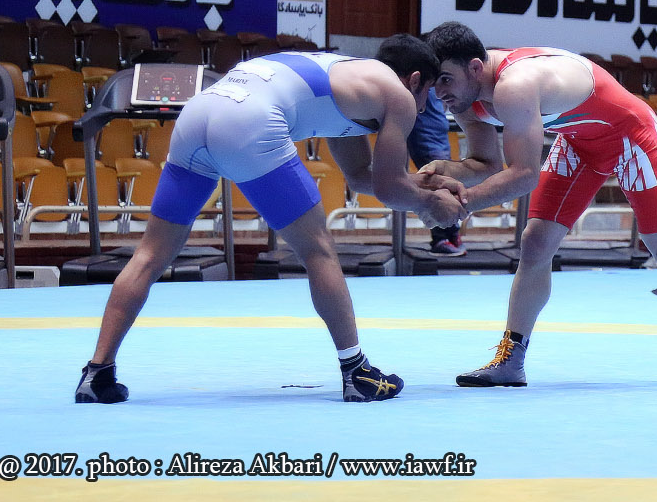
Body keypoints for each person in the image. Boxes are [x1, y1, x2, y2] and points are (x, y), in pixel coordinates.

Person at [75, 36, 465, 404]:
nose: (424, 105)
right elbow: (389, 189)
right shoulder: (400, 96)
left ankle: (97, 373)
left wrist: (426, 186)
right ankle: (356, 373)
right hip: (249, 123)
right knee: (318, 251)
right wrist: (432, 206)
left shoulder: (351, 80)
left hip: (197, 113)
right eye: (428, 93)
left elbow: (363, 178)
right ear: (415, 80)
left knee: (150, 254)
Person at [422, 21, 657, 387]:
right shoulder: (464, 96)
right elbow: (485, 165)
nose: (439, 93)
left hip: (630, 135)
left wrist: (461, 204)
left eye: (445, 80)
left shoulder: (514, 85)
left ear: (474, 68)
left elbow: (524, 175)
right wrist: (442, 173)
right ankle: (512, 359)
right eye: (435, 82)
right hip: (579, 140)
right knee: (535, 242)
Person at [408, 86, 466, 256]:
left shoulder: (435, 84)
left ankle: (452, 233)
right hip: (425, 137)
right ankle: (440, 238)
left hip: (439, 134)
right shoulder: (417, 83)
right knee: (435, 184)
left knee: (446, 183)